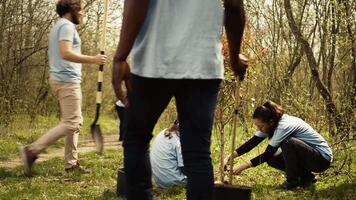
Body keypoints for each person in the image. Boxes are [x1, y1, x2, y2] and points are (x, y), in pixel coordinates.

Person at [112, 0, 248, 199]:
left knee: (136, 141)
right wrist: (234, 58)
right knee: (197, 153)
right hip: (204, 65)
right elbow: (234, 7)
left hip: (153, 60)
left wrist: (120, 57)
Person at [20, 0, 107, 177]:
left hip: (63, 79)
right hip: (67, 81)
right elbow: (65, 52)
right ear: (73, 10)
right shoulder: (66, 26)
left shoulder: (59, 26)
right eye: (81, 10)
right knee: (72, 123)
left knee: (73, 122)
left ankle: (70, 164)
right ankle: (32, 150)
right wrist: (94, 59)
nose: (83, 14)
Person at [224, 101, 333, 190]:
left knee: (288, 143)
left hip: (321, 159)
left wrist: (242, 167)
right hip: (310, 156)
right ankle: (306, 177)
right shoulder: (271, 123)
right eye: (257, 126)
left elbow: (267, 153)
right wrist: (229, 157)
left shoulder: (283, 126)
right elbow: (252, 143)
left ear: (270, 122)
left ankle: (292, 182)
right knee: (272, 159)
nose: (259, 129)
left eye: (260, 126)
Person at [150, 120, 187, 188]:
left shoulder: (163, 132)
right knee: (199, 177)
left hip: (159, 180)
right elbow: (184, 168)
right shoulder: (179, 141)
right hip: (172, 182)